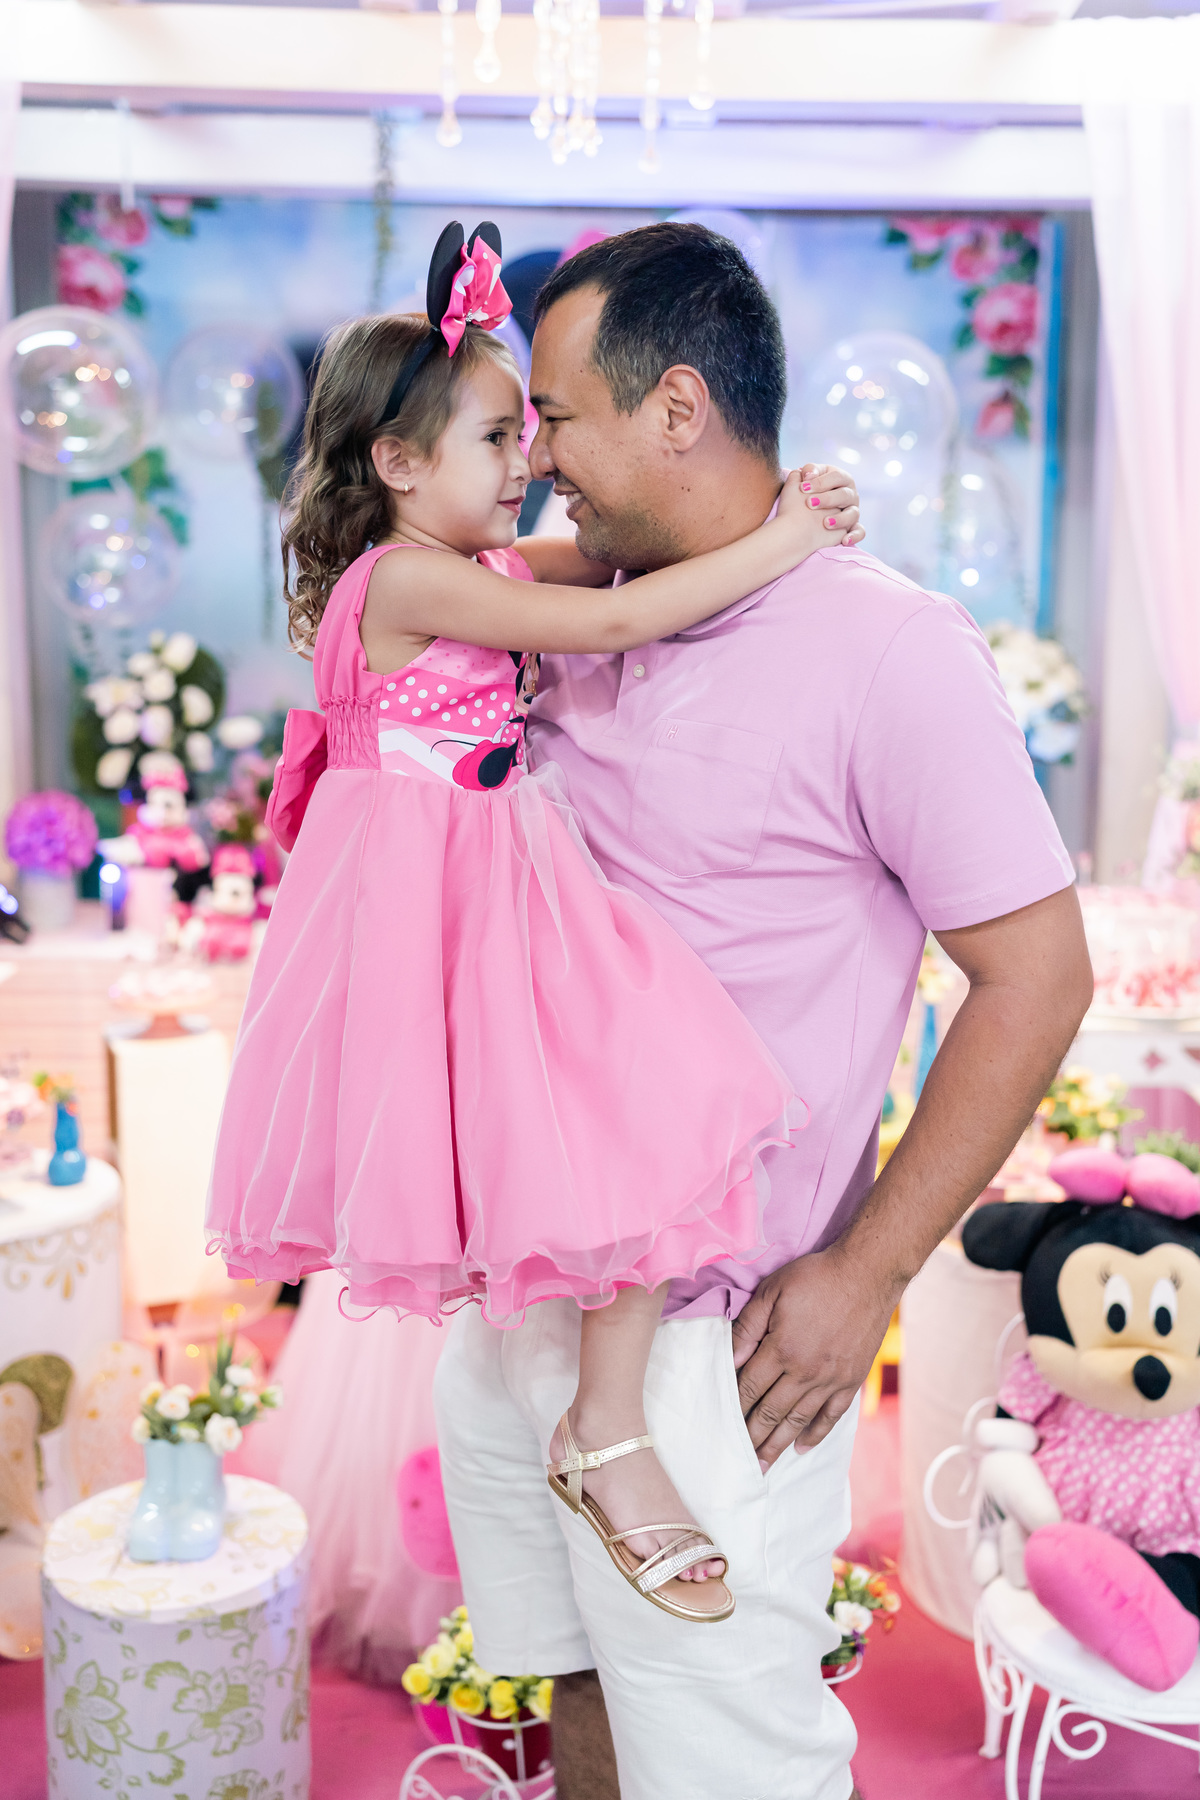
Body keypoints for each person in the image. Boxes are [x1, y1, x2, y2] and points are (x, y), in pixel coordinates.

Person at [431, 222, 1094, 1800]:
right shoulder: (555, 613)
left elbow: (1040, 974)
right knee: (574, 1692)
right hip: (516, 1298)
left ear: (677, 407)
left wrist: (869, 1271)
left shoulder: (890, 651)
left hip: (708, 1351)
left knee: (730, 1763)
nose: (538, 457)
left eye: (558, 416)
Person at [206, 221, 864, 1625]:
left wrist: (763, 514)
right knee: (616, 1121)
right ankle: (601, 1432)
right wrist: (790, 539)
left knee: (644, 1121)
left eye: (533, 432)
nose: (532, 466)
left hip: (512, 886)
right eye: (502, 439)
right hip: (448, 917)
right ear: (398, 464)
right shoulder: (400, 579)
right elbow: (622, 625)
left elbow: (626, 570)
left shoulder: (484, 565)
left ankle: (600, 1426)